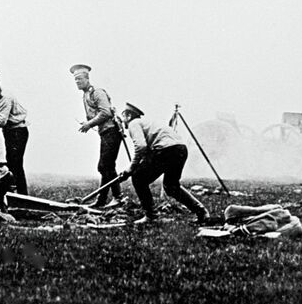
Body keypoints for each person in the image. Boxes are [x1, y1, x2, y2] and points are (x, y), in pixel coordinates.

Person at [120, 102, 209, 225]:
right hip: (180, 149)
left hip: (166, 151)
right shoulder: (148, 124)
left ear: (129, 116)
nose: (122, 120)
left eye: (123, 116)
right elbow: (147, 152)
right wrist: (133, 167)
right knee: (171, 186)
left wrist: (131, 168)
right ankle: (201, 211)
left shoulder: (133, 123)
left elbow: (141, 147)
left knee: (138, 178)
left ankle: (151, 216)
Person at [71, 64, 124, 209]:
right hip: (105, 132)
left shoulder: (97, 92)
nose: (77, 82)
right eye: (75, 79)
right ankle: (102, 200)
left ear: (87, 79)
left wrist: (89, 124)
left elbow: (105, 112)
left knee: (105, 166)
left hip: (112, 131)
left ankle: (117, 197)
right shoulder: (86, 95)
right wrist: (88, 122)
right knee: (105, 166)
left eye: (80, 79)